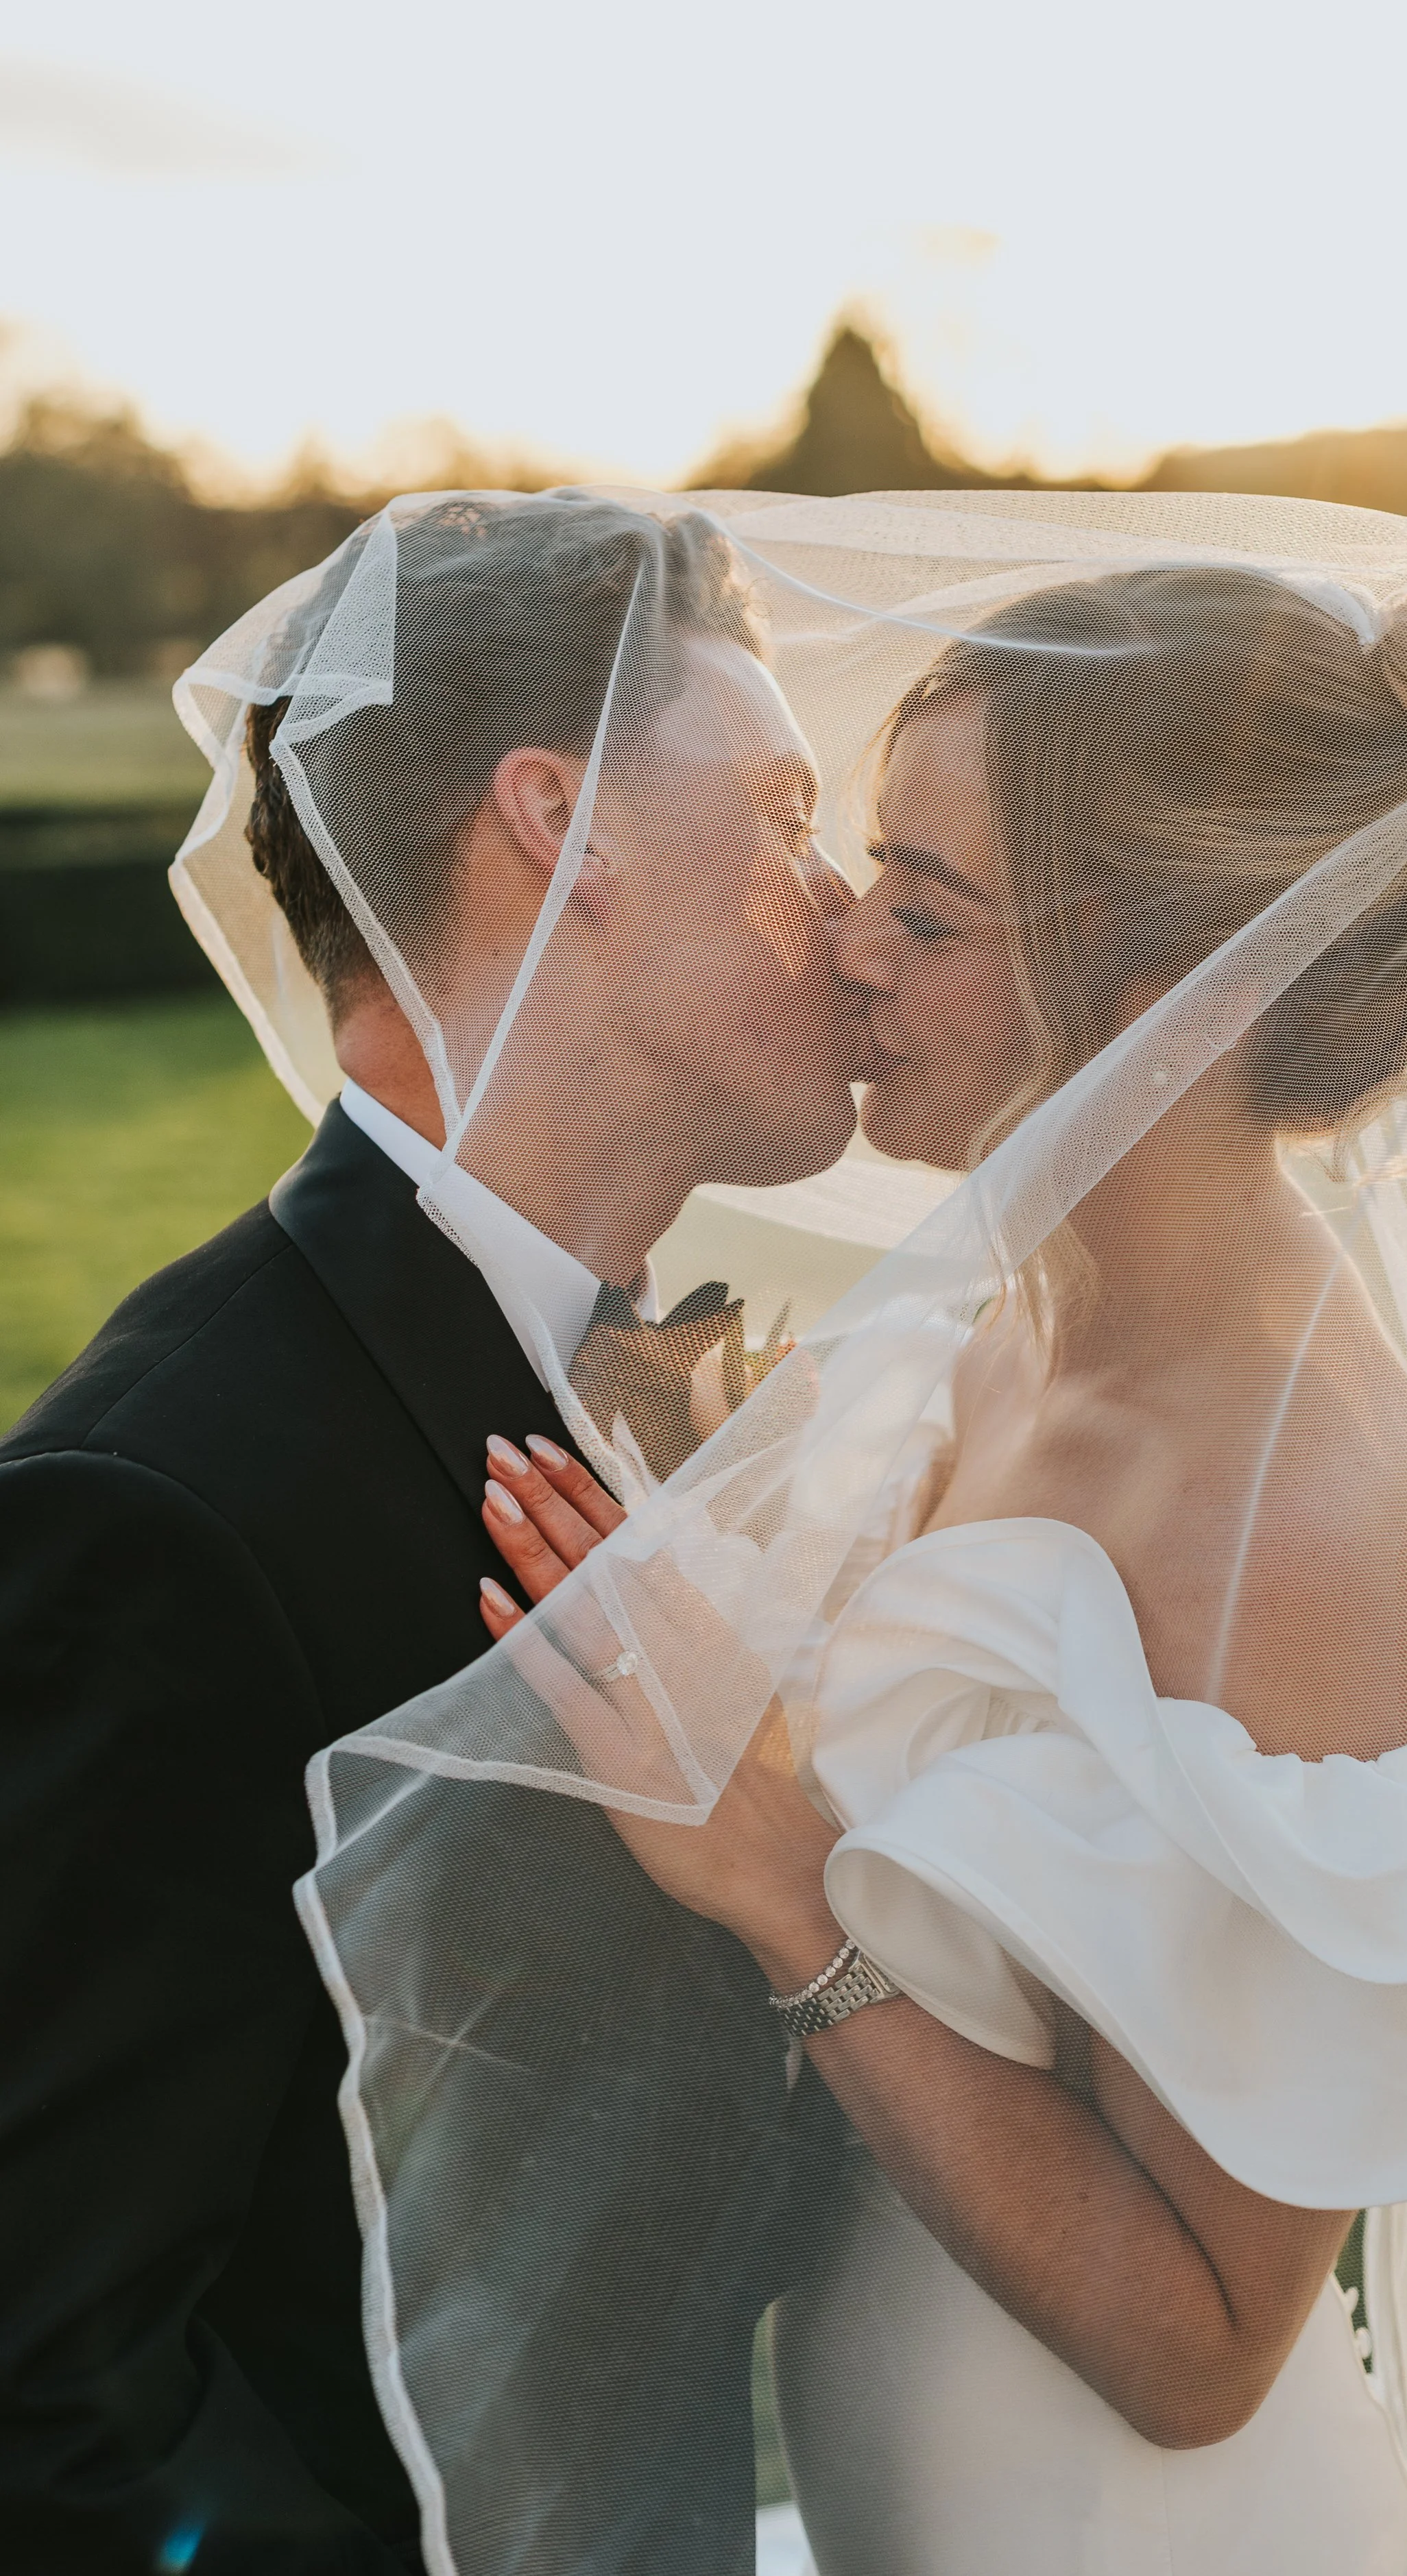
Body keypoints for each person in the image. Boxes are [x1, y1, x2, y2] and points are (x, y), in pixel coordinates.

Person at [383, 523, 1407, 2576]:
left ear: (1148, 964)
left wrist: (782, 1888)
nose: (842, 944)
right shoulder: (1010, 1308)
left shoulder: (1290, 1501)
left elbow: (1205, 2343)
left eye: (920, 903)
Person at [0, 494, 867, 2575]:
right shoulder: (160, 1512)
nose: (836, 906)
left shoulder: (684, 1412)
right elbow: (54, 2390)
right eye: (777, 809)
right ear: (553, 830)